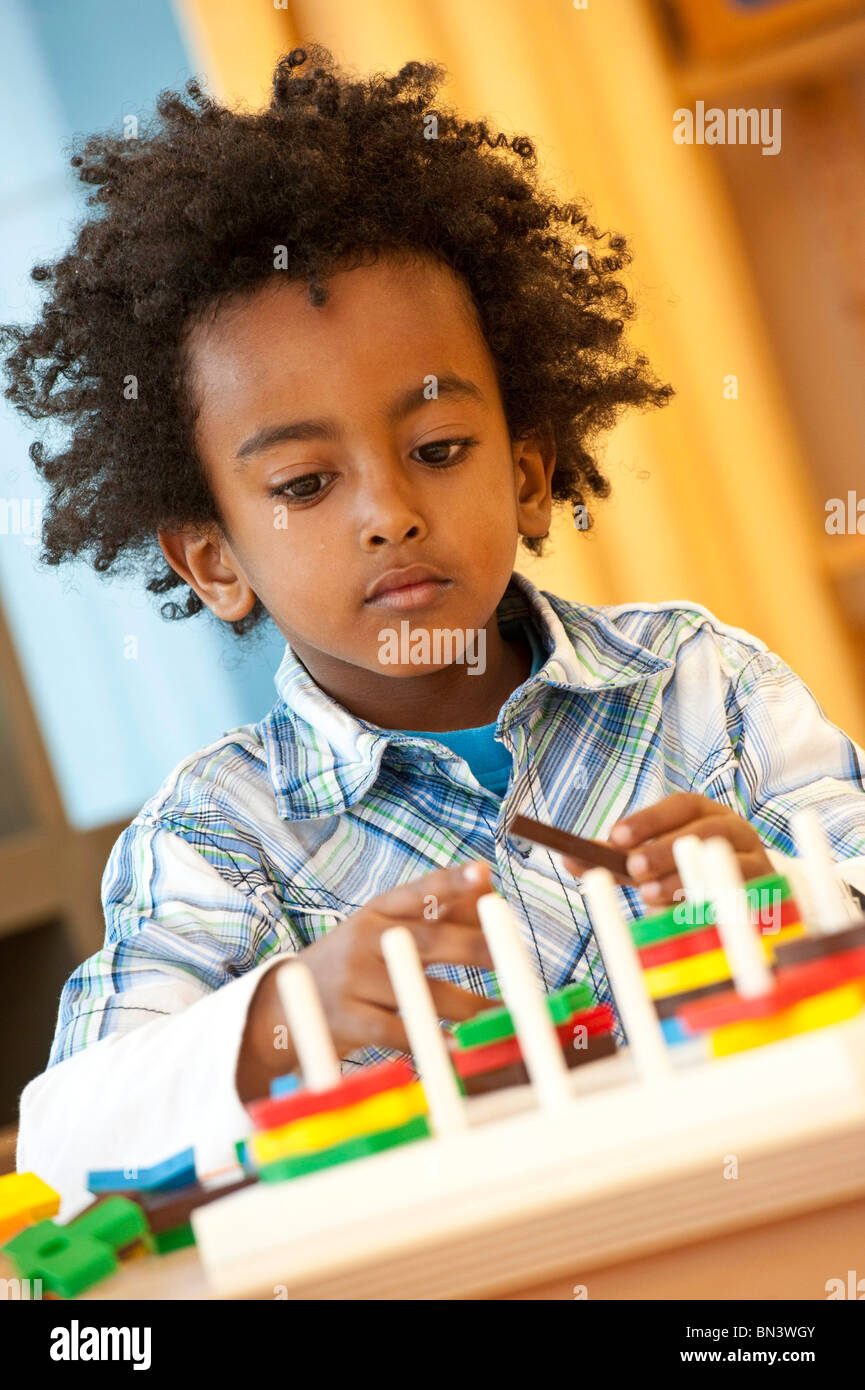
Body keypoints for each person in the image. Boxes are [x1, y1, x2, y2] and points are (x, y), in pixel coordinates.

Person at [3, 47, 863, 1204]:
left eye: (439, 452)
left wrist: (789, 899)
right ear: (213, 559)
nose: (389, 515)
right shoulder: (219, 839)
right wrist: (286, 1011)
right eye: (307, 485)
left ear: (523, 472)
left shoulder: (703, 684)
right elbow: (66, 1142)